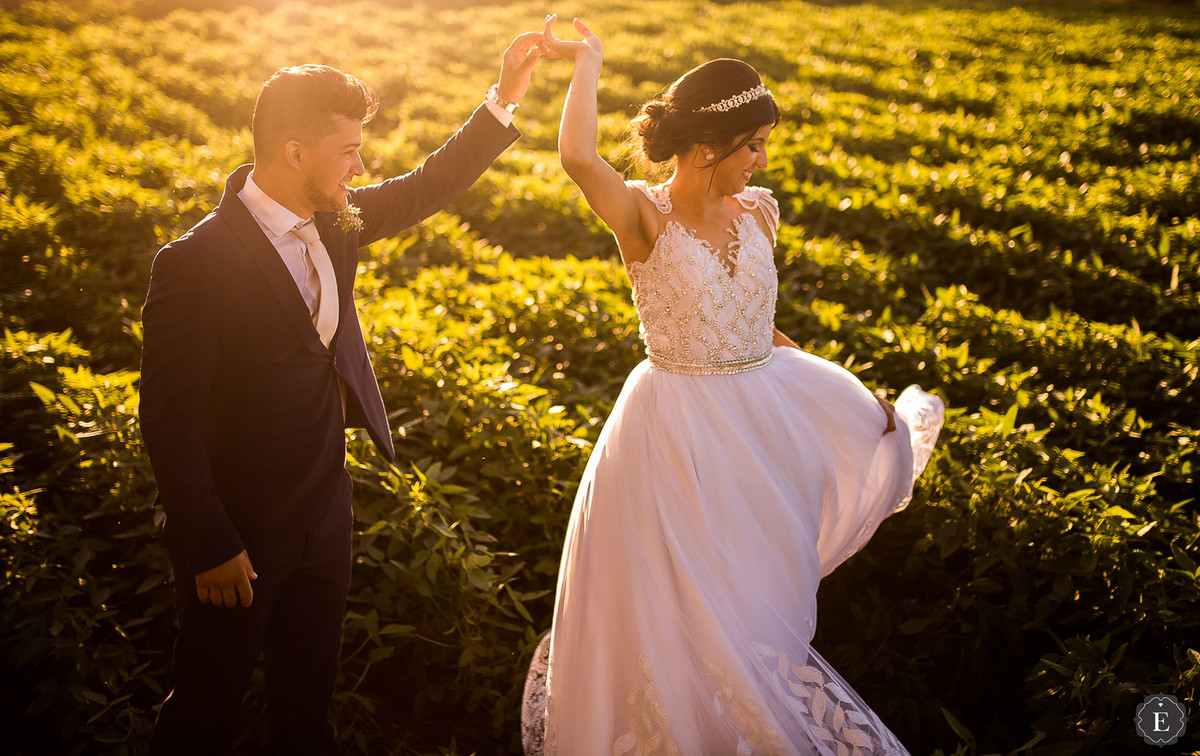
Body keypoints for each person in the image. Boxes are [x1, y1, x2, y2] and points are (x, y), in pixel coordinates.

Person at [520, 16, 944, 755]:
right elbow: (578, 156)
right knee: (685, 608)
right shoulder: (644, 217)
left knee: (753, 606)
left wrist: (846, 397)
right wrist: (588, 60)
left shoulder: (759, 213)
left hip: (759, 428)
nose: (762, 158)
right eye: (754, 144)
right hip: (672, 435)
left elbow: (761, 328)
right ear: (707, 147)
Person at [139, 32, 544, 755]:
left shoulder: (338, 215)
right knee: (204, 708)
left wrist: (504, 97)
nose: (362, 166)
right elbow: (169, 419)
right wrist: (209, 543)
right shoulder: (194, 263)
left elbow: (427, 185)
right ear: (295, 153)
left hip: (325, 517)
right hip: (240, 536)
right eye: (349, 150)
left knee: (306, 707)